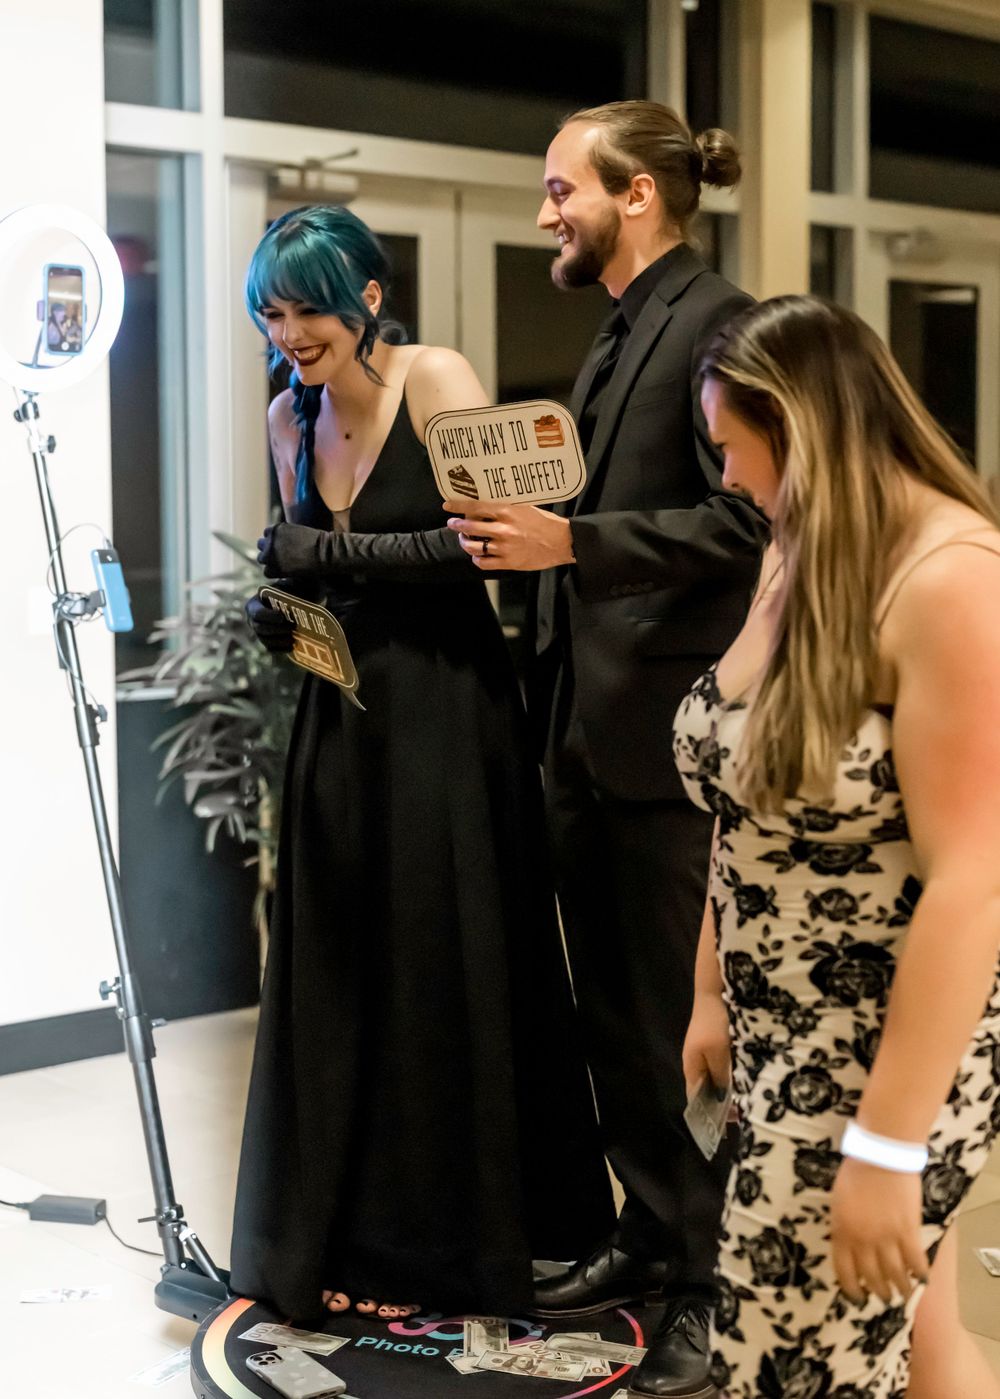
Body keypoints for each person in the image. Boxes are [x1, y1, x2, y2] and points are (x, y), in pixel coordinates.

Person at [230, 204, 614, 1325]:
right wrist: (284, 602)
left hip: (445, 713)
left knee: (447, 964)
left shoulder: (436, 376)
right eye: (272, 311)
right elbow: (310, 571)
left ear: (368, 301)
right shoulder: (285, 421)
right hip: (340, 718)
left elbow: (483, 542)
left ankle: (463, 1241)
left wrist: (330, 550)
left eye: (308, 308)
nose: (291, 331)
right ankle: (349, 1232)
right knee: (344, 969)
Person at [444, 102, 768, 1397]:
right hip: (585, 730)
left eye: (560, 189)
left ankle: (709, 1281)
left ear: (638, 195)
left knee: (682, 1032)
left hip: (670, 749)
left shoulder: (725, 323)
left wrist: (572, 543)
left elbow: (749, 521)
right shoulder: (625, 324)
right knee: (613, 1021)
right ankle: (645, 1231)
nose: (544, 215)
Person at [675, 293, 1000, 1398]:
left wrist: (887, 1146)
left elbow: (973, 883)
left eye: (732, 447)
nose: (726, 478)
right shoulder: (798, 543)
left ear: (798, 425)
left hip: (879, 1059)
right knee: (926, 1348)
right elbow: (740, 790)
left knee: (778, 1370)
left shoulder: (951, 576)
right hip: (783, 1040)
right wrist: (712, 986)